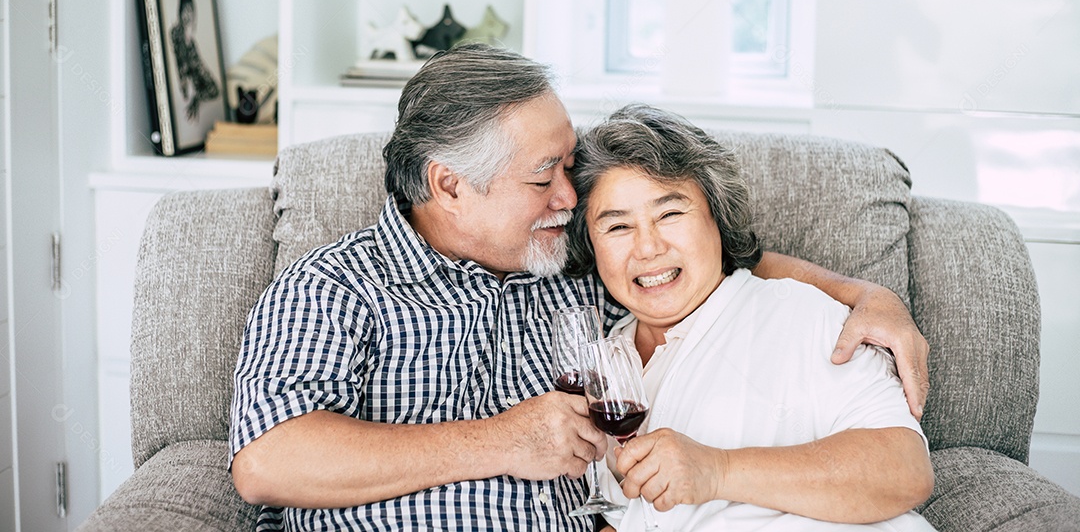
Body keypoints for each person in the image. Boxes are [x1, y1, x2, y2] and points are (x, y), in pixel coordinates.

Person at [229, 44, 930, 531]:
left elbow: (692, 262)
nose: (570, 195)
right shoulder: (334, 288)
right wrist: (499, 442)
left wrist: (863, 294)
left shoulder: (562, 263)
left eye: (570, 166)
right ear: (449, 185)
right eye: (544, 176)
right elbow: (268, 460)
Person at [565, 103, 934, 531]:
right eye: (617, 227)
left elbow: (905, 470)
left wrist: (718, 470)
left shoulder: (801, 314)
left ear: (717, 220)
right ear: (590, 245)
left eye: (669, 214)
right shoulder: (606, 364)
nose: (647, 248)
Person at [170, 0, 219, 120]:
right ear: (180, 11)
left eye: (191, 11)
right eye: (185, 10)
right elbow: (181, 64)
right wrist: (186, 88)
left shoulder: (191, 41)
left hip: (198, 73)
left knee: (214, 89)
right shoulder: (176, 32)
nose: (188, 15)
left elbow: (198, 63)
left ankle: (197, 98)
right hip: (191, 76)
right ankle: (196, 98)